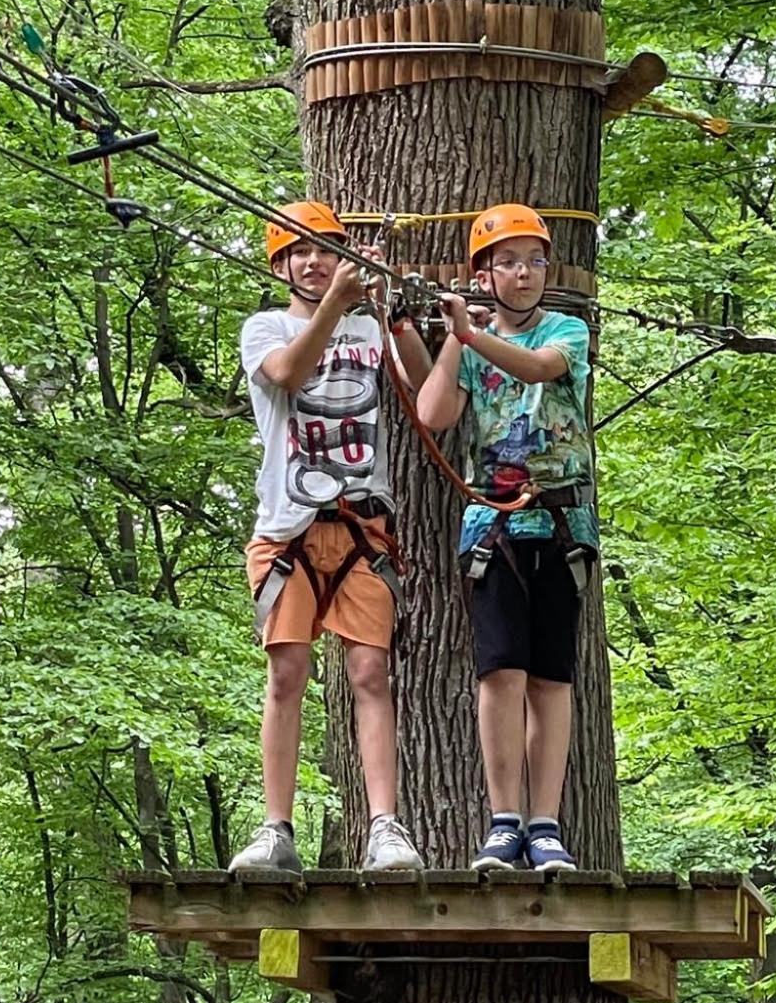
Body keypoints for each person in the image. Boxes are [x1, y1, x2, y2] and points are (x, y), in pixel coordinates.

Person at [229, 199, 432, 877]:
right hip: (287, 527)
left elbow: (426, 392)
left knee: (370, 672)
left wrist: (392, 313)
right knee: (287, 673)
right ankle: (276, 825)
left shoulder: (367, 328)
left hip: (360, 526)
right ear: (280, 263)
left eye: (325, 249)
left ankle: (385, 825)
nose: (314, 262)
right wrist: (337, 305)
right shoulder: (264, 328)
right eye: (299, 251)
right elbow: (288, 374)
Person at [416, 203, 596, 872]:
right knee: (501, 671)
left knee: (551, 675)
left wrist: (474, 332)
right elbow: (434, 414)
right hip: (493, 523)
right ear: (484, 274)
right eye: (508, 262)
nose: (524, 274)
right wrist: (452, 338)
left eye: (534, 261)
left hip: (558, 521)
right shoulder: (470, 341)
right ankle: (505, 820)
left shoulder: (568, 331)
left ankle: (545, 823)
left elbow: (538, 368)